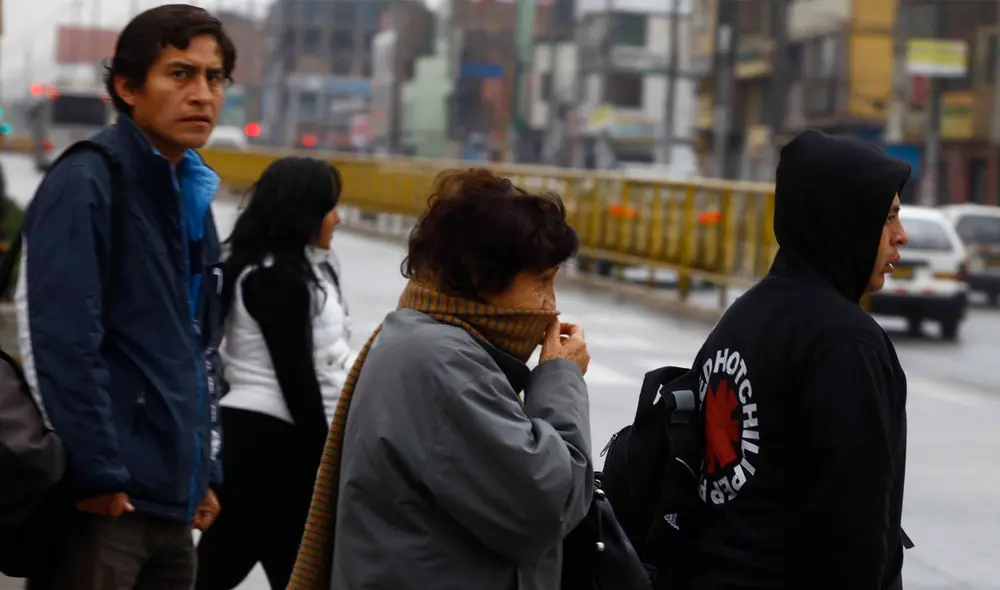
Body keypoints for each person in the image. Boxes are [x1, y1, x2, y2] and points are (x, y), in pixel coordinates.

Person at [285, 169, 593, 590]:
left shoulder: (419, 337)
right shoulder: (445, 368)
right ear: (481, 276)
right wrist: (561, 379)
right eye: (541, 282)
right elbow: (546, 505)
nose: (550, 305)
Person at [15, 5, 235, 587]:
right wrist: (95, 469)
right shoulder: (88, 182)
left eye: (215, 79)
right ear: (127, 87)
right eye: (181, 74)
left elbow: (202, 351)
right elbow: (58, 340)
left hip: (174, 500)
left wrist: (205, 468)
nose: (202, 94)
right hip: (106, 502)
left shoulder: (192, 193)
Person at [683, 129, 911, 589]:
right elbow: (854, 526)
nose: (900, 237)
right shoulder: (845, 342)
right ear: (844, 221)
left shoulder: (741, 318)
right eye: (886, 219)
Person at [195, 157, 354, 589]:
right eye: (329, 207)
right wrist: (327, 461)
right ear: (303, 212)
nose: (337, 218)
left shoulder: (294, 271)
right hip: (268, 444)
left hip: (269, 442)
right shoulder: (274, 279)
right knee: (226, 570)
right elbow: (297, 381)